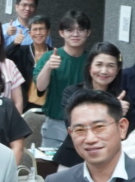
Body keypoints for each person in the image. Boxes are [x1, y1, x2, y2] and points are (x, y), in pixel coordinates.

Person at [52, 43, 130, 168]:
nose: (104, 71)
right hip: (73, 159)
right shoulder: (72, 92)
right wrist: (113, 108)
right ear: (89, 67)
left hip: (109, 162)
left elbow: (125, 133)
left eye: (110, 66)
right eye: (99, 65)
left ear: (118, 69)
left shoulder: (123, 97)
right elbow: (72, 125)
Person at [33, 11, 93, 142]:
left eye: (81, 30)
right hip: (55, 124)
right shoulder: (49, 57)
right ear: (61, 33)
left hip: (87, 125)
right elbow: (40, 87)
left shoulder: (93, 60)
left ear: (88, 32)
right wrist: (48, 66)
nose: (75, 34)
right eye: (69, 30)